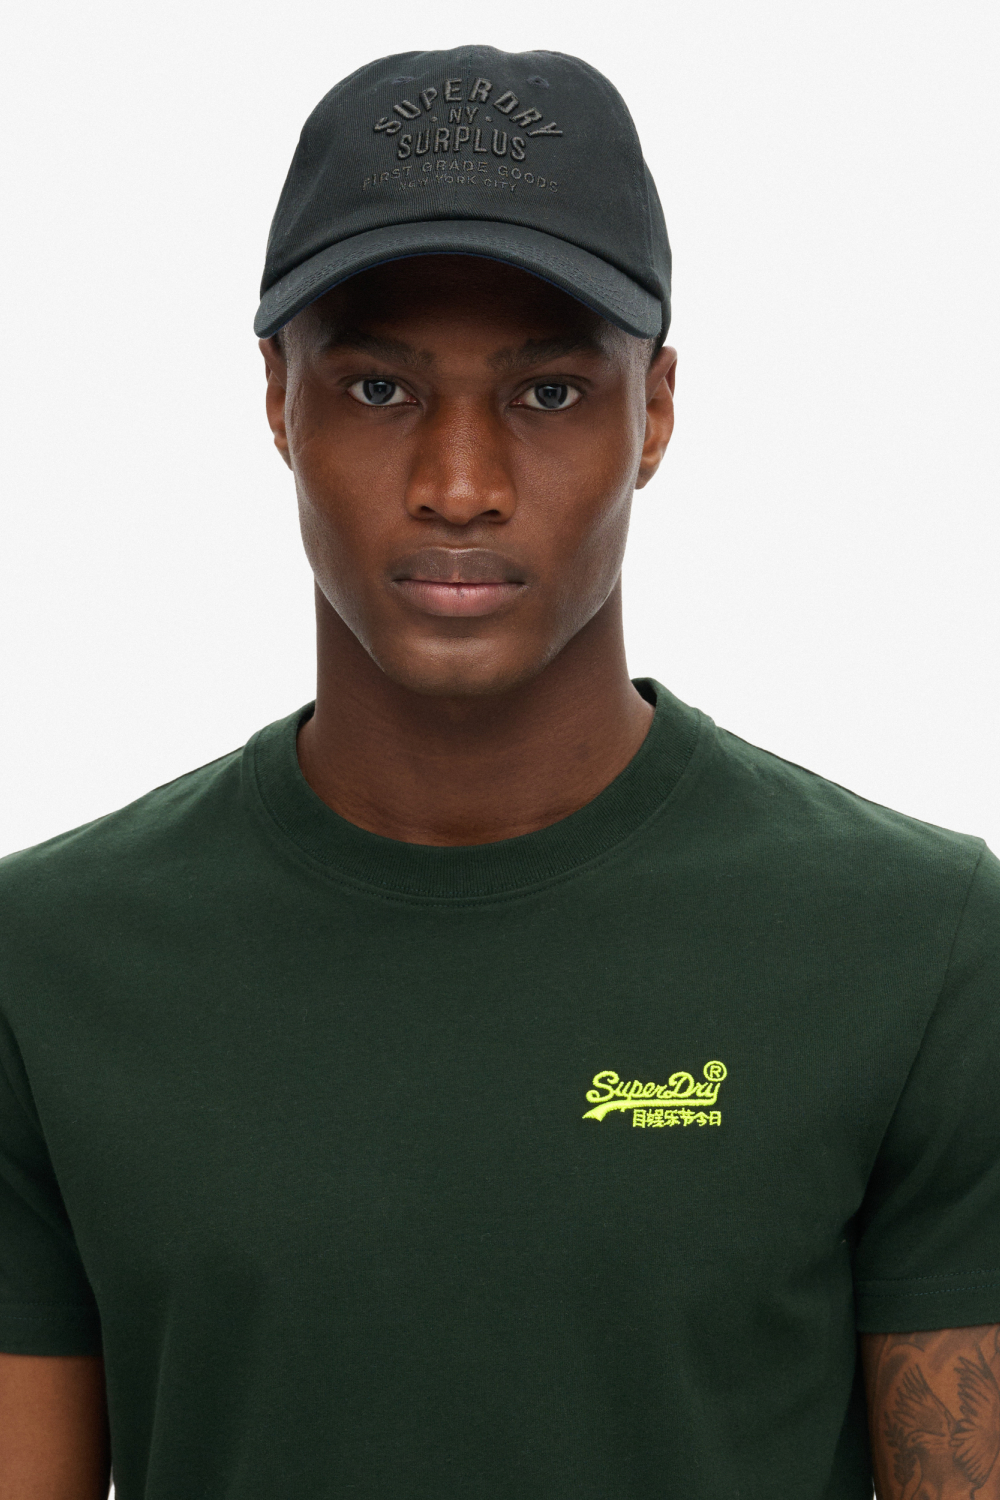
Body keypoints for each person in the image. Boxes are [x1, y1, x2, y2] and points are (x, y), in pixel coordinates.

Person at [0, 44, 997, 1500]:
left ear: (656, 411)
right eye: (378, 386)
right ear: (276, 400)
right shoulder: (48, 963)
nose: (458, 485)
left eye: (548, 393)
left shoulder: (920, 946)